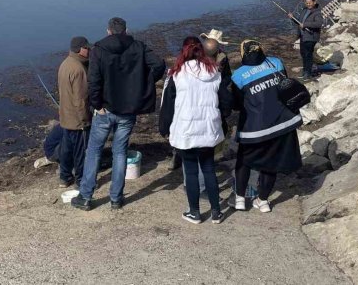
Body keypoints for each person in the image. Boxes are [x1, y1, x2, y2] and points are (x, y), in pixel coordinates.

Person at [72, 17, 166, 211]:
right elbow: (159, 65)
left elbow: (94, 80)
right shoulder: (138, 46)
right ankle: (116, 198)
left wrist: (96, 104)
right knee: (120, 152)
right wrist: (143, 85)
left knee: (94, 151)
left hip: (105, 110)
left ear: (108, 31)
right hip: (128, 109)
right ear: (125, 30)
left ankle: (86, 196)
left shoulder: (99, 49)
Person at [159, 37, 232, 224]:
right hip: (208, 129)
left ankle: (195, 212)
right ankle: (216, 212)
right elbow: (226, 101)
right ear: (201, 51)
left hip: (186, 130)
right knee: (208, 169)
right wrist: (221, 118)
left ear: (183, 51)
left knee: (190, 172)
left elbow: (168, 105)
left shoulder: (177, 74)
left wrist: (164, 127)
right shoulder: (215, 72)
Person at [231, 40, 303, 213]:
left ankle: (240, 198)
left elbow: (236, 104)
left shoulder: (238, 75)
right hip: (282, 122)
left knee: (244, 161)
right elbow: (284, 87)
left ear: (243, 54)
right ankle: (263, 200)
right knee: (272, 163)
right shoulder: (275, 62)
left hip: (255, 128)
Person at [56, 36, 92, 187]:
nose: (89, 50)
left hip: (65, 117)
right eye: (87, 48)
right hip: (78, 120)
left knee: (66, 149)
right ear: (80, 49)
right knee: (81, 151)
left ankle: (65, 177)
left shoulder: (65, 64)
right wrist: (85, 120)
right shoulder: (78, 69)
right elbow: (80, 99)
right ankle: (81, 180)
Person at [289, 0, 323, 80]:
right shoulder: (304, 10)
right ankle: (304, 72)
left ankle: (308, 74)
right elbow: (299, 22)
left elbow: (319, 24)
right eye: (307, 3)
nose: (308, 4)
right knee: (303, 54)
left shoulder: (317, 12)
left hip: (311, 37)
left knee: (308, 54)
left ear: (314, 2)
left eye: (310, 3)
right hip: (303, 36)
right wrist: (292, 18)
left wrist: (306, 25)